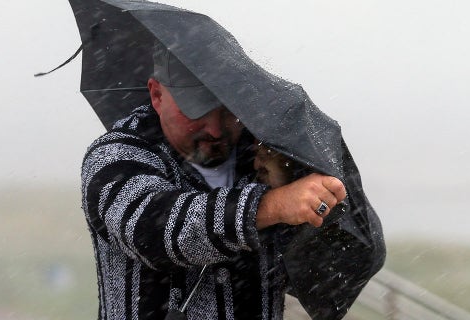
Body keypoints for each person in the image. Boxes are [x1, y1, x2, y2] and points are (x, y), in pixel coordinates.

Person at [81, 43, 355, 320]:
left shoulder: (271, 154)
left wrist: (296, 195)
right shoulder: (114, 156)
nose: (214, 129)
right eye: (196, 111)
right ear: (157, 94)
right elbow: (152, 230)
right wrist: (270, 206)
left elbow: (322, 278)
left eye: (226, 111)